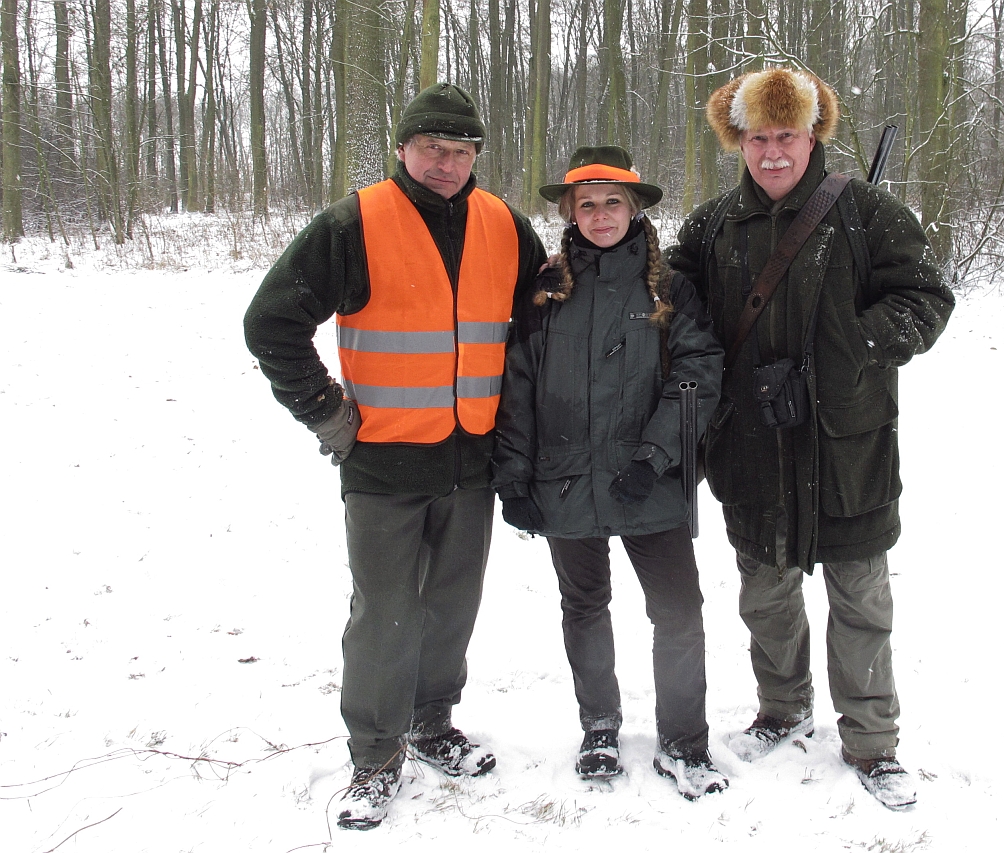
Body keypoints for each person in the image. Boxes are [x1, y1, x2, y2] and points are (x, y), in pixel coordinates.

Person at [243, 83, 545, 830]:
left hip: (471, 461)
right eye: (431, 148)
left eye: (460, 150)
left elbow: (542, 328)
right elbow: (271, 321)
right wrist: (327, 413)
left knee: (453, 603)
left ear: (476, 155)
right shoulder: (355, 223)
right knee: (385, 613)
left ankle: (432, 723)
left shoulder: (505, 225)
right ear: (403, 149)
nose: (445, 163)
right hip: (382, 463)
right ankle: (376, 757)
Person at [666, 67, 954, 810]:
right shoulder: (711, 226)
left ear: (811, 135)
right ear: (739, 141)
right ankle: (783, 708)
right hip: (752, 445)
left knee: (860, 600)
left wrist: (850, 348)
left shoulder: (869, 214)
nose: (772, 152)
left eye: (786, 136)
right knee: (766, 595)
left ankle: (872, 742)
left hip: (847, 447)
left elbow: (926, 298)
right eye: (758, 137)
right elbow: (673, 305)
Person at [490, 146, 726, 800]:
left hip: (651, 481)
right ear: (570, 211)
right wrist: (514, 477)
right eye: (586, 204)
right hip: (564, 481)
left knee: (678, 612)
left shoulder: (670, 289)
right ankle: (599, 727)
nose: (600, 216)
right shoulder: (544, 290)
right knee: (584, 606)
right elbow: (518, 386)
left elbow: (698, 373)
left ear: (636, 209)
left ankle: (685, 741)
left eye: (612, 203)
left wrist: (656, 455)